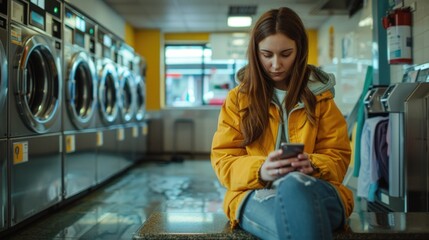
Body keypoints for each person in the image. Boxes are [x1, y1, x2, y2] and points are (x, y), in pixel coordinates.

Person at [211, 7, 353, 240]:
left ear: (300, 51)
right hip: (256, 192)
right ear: (255, 53)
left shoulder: (321, 97)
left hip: (314, 188)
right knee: (295, 223)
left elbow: (339, 157)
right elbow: (223, 160)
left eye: (286, 54)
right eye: (267, 55)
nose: (276, 64)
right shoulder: (238, 99)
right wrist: (261, 170)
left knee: (294, 188)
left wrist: (313, 166)